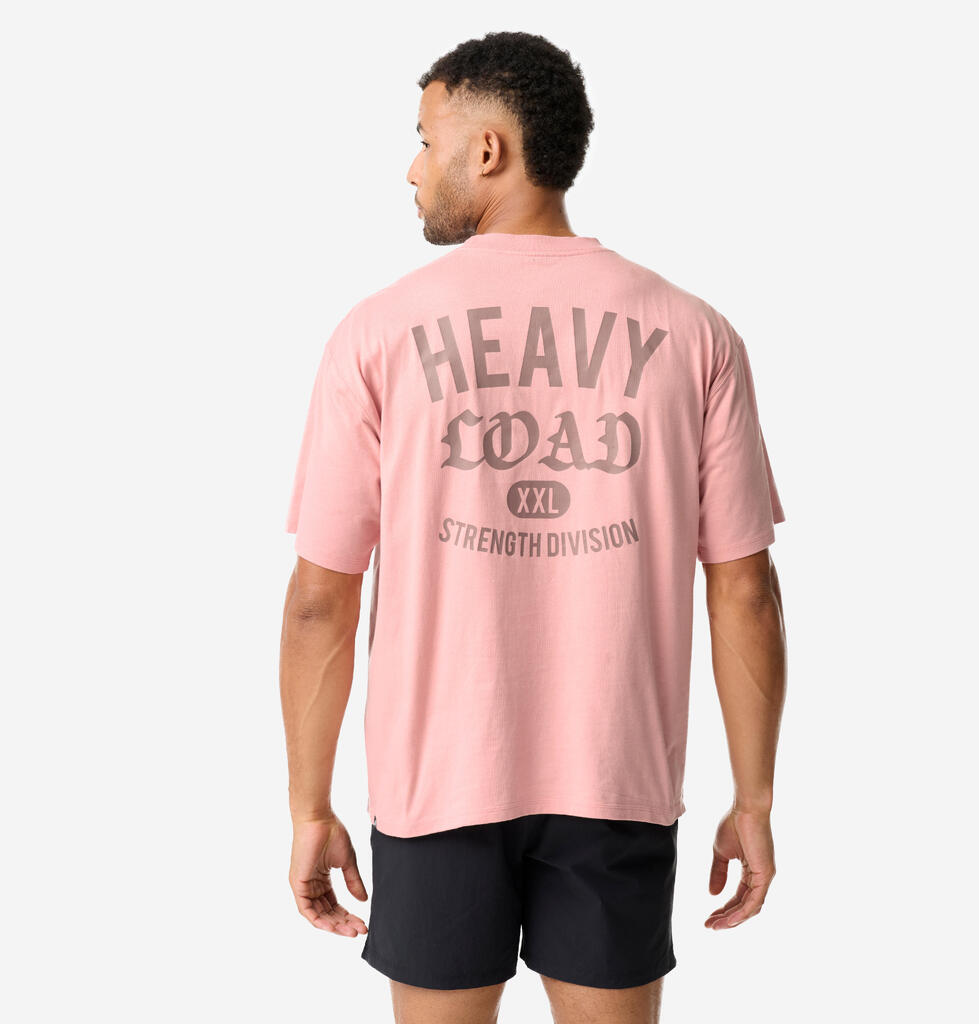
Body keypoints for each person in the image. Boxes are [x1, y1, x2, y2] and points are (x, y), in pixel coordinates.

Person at [280, 30, 787, 1024]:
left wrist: (308, 806)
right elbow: (745, 589)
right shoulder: (695, 333)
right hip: (616, 778)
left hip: (436, 783)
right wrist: (755, 800)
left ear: (488, 150)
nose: (412, 168)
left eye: (425, 139)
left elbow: (317, 600)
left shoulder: (375, 334)